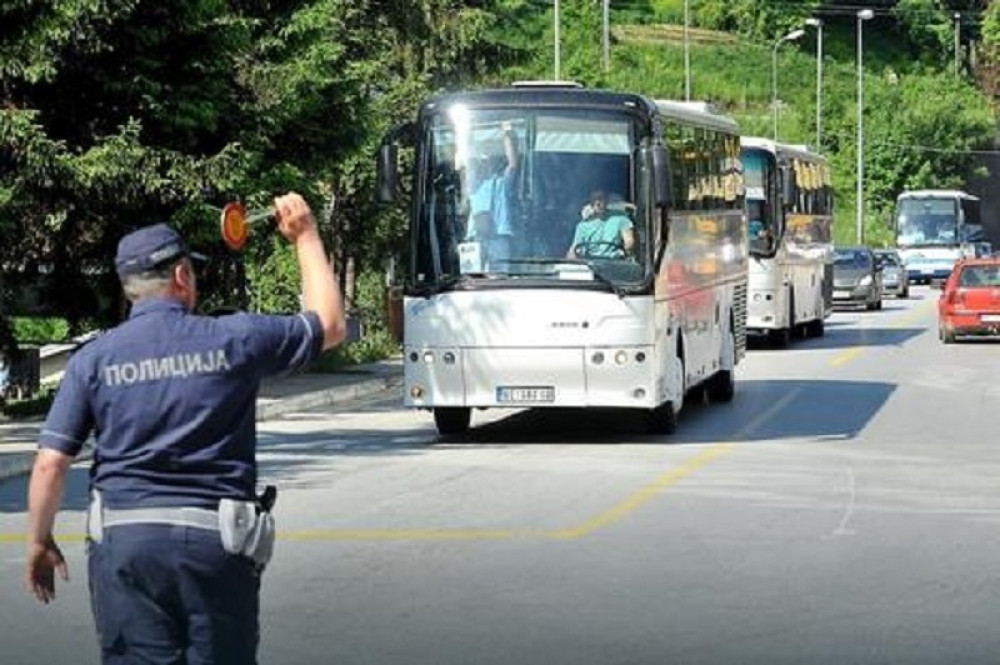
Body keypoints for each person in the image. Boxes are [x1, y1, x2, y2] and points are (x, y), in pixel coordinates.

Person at [25, 192, 346, 664]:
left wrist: (38, 540)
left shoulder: (92, 359)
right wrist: (306, 235)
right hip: (212, 548)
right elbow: (331, 325)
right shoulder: (234, 338)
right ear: (181, 276)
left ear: (129, 287)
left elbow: (51, 463)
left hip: (124, 548)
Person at [464, 121, 518, 265]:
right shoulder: (473, 185)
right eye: (482, 162)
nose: (484, 164)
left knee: (500, 278)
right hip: (476, 237)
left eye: (487, 162)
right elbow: (467, 159)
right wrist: (467, 133)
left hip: (498, 236)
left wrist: (507, 135)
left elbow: (512, 163)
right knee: (472, 277)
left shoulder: (501, 183)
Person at [566, 189, 636, 259]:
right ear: (590, 202)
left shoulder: (620, 218)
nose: (597, 203)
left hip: (614, 262)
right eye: (594, 199)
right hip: (589, 264)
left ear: (607, 200)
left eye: (600, 199)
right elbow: (574, 250)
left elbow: (629, 241)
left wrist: (628, 248)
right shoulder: (582, 226)